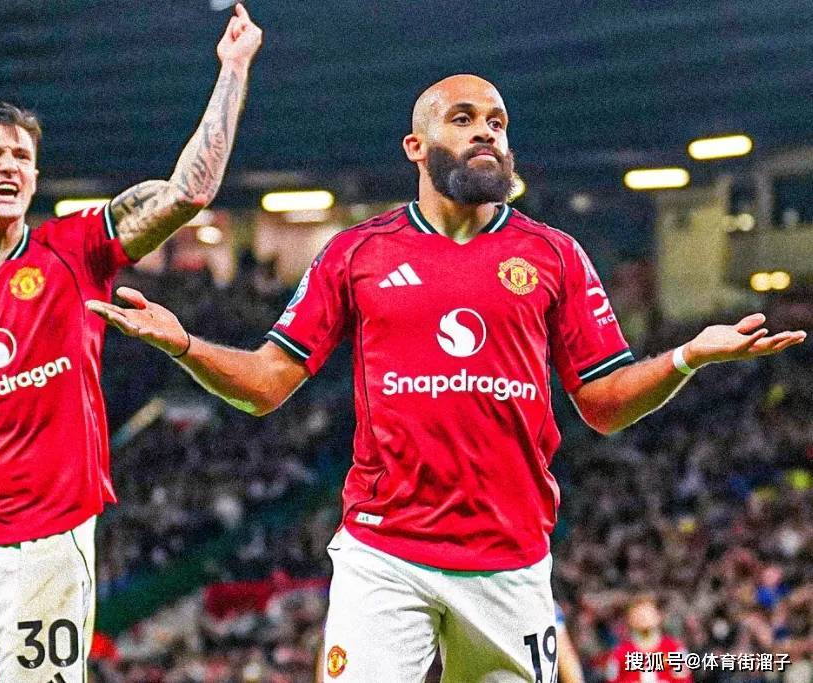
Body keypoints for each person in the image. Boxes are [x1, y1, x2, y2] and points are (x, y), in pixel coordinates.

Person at [86, 74, 806, 682]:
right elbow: (268, 382)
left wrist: (686, 357)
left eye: (496, 121)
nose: (485, 131)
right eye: (462, 119)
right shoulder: (355, 253)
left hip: (509, 560)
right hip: (384, 555)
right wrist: (185, 345)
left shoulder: (554, 255)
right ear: (415, 146)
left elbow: (604, 404)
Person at [0, 5, 262, 681]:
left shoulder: (74, 249)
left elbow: (188, 192)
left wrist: (233, 68)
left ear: (35, 177)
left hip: (45, 546)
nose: (10, 166)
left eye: (23, 157)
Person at [604, 595, 692, 682]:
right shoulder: (619, 653)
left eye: (648, 613)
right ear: (630, 619)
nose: (643, 617)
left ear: (658, 616)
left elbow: (685, 679)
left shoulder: (675, 648)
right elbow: (612, 679)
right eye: (638, 614)